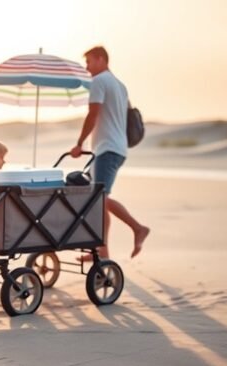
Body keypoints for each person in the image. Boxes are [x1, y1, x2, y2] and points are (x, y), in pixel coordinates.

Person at [69, 46, 150, 259]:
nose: (87, 68)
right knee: (100, 200)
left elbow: (93, 114)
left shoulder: (99, 81)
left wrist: (79, 144)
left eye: (89, 62)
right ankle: (102, 251)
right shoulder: (119, 85)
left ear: (101, 59)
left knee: (100, 198)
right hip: (115, 148)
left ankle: (138, 228)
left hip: (108, 149)